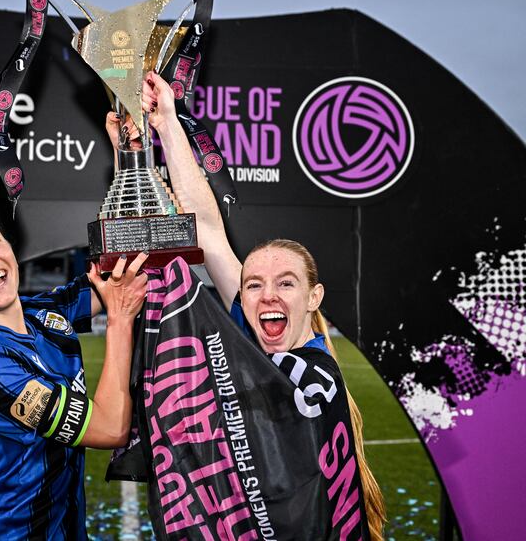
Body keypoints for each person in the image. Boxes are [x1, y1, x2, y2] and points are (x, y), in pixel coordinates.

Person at [136, 70, 387, 540]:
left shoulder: (317, 379)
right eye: (253, 285)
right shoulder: (258, 345)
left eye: (285, 283)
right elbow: (207, 229)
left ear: (314, 298)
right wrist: (167, 121)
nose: (267, 295)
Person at [0, 209, 148, 540]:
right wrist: (120, 320)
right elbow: (111, 427)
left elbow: (114, 276)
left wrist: (129, 165)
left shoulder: (41, 313)